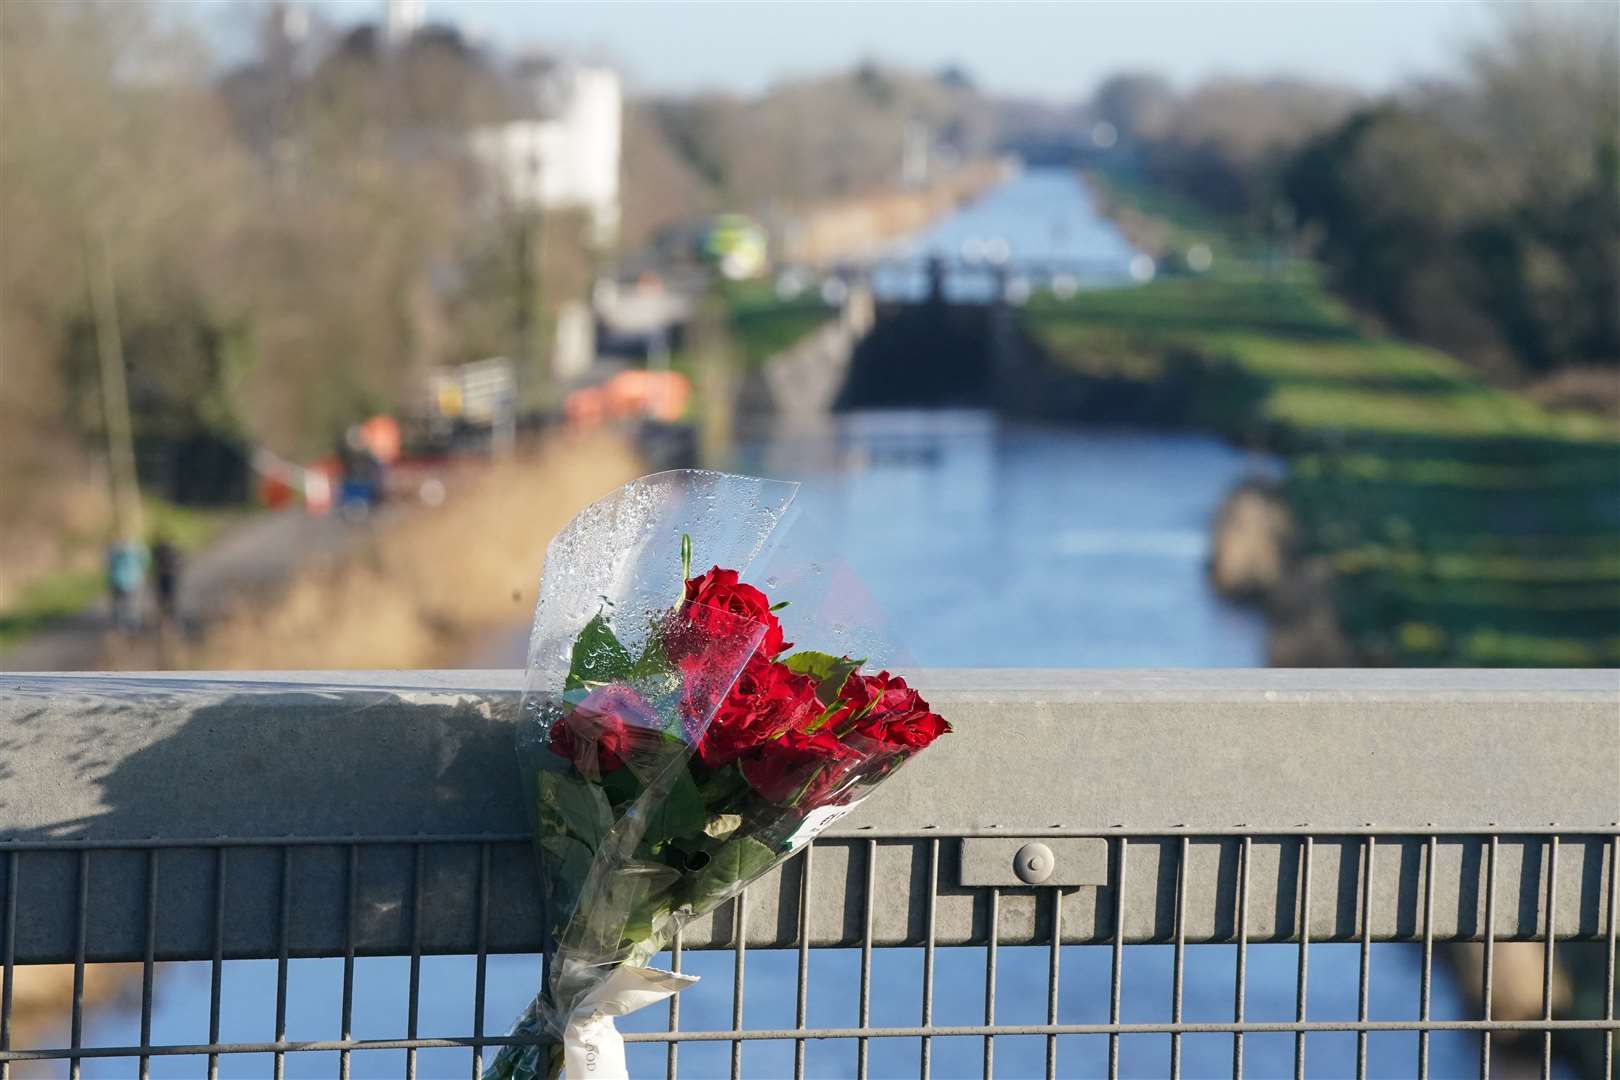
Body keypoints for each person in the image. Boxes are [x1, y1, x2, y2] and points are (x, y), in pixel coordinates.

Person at [105, 539, 148, 634]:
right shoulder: (138, 548)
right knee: (132, 605)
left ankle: (121, 627)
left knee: (119, 606)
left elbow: (108, 564)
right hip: (134, 581)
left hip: (117, 580)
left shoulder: (114, 549)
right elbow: (145, 562)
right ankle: (132, 627)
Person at [151, 535, 181, 626]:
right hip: (167, 579)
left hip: (168, 579)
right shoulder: (171, 552)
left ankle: (167, 622)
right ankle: (166, 622)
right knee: (168, 601)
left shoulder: (161, 552)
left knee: (166, 602)